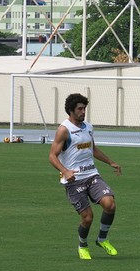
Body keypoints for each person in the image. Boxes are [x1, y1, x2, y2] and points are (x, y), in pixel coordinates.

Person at [49, 93, 122, 260]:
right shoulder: (64, 130)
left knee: (110, 204)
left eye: (84, 108)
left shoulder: (88, 127)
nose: (83, 112)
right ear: (71, 110)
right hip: (74, 180)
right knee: (88, 218)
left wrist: (110, 162)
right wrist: (65, 171)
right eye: (80, 109)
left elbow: (92, 149)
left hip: (92, 174)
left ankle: (102, 239)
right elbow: (52, 156)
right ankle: (82, 244)